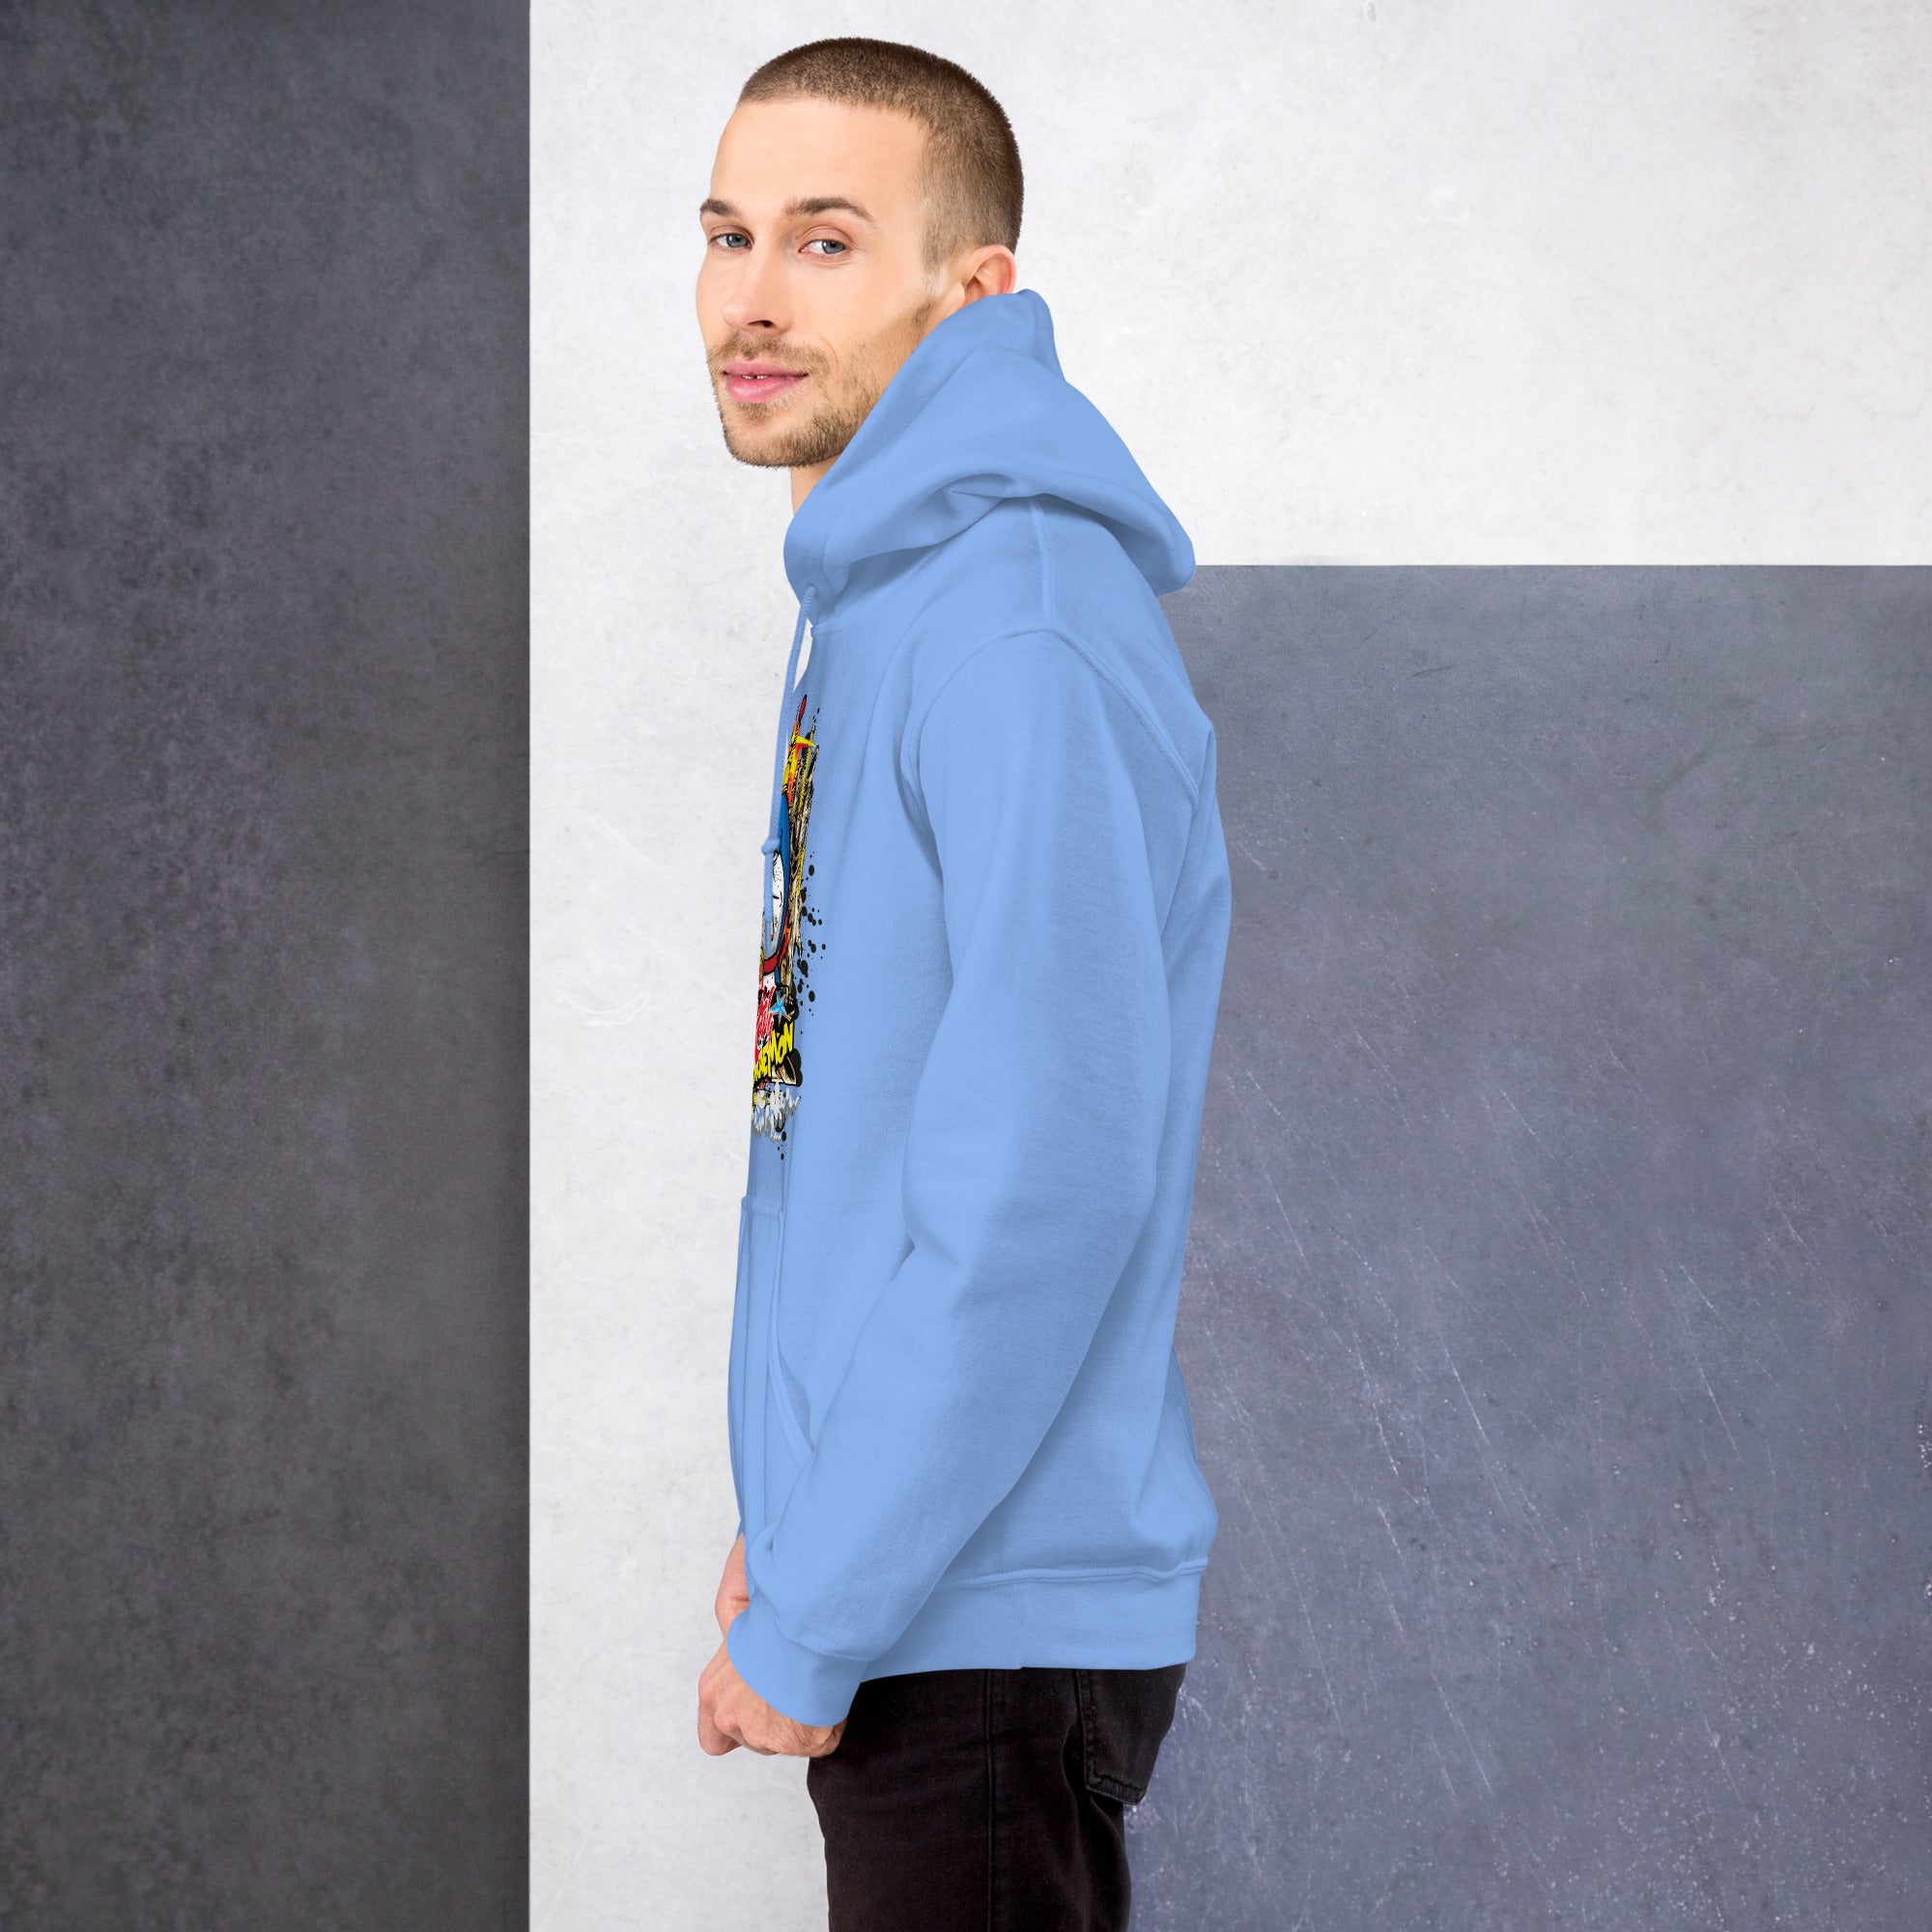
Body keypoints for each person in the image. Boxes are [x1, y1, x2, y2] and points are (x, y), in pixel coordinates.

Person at [691, 37, 1233, 1931]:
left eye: (827, 240)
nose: (753, 298)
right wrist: (808, 1525)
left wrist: (828, 1599)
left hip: (985, 1619)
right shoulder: (882, 603)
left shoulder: (1011, 628)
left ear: (972, 286)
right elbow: (857, 1120)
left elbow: (1040, 1184)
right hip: (917, 1585)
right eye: (729, 234)